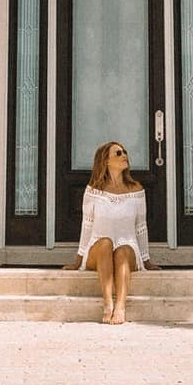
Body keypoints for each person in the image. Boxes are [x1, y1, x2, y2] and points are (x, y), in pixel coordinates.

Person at [63, 139, 156, 324]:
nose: (124, 156)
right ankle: (108, 304)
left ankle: (120, 306)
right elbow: (87, 226)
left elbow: (141, 227)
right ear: (105, 161)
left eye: (124, 152)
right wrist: (78, 260)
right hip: (98, 247)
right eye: (118, 153)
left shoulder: (136, 190)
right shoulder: (93, 191)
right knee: (106, 243)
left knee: (121, 250)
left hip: (128, 246)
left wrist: (146, 260)